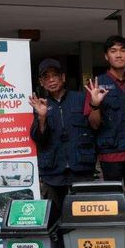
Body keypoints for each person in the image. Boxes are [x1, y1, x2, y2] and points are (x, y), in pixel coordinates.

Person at [84, 35, 125, 207]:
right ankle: (119, 233)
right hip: (111, 155)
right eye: (113, 51)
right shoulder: (96, 84)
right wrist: (95, 105)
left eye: (123, 51)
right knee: (114, 201)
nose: (118, 55)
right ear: (106, 56)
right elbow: (94, 124)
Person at [29, 58, 96, 210]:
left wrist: (95, 105)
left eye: (55, 75)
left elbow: (95, 127)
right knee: (55, 217)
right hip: (53, 172)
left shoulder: (81, 99)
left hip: (81, 169)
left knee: (83, 215)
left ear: (63, 77)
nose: (51, 80)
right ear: (41, 82)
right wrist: (42, 117)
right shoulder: (40, 104)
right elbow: (38, 139)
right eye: (46, 77)